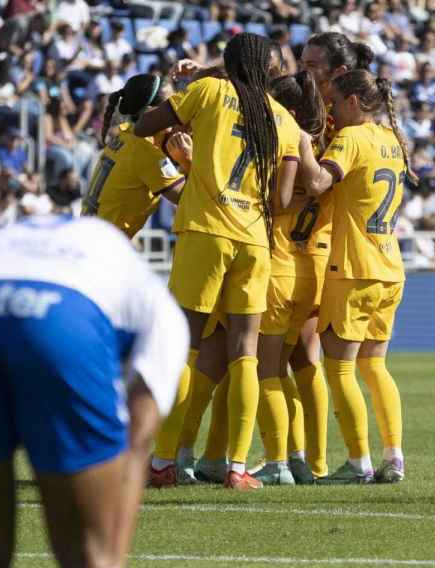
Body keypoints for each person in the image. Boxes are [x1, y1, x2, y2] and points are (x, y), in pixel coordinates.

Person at [0, 215, 188, 568]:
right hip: (62, 314)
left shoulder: (113, 267)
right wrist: (108, 561)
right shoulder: (165, 317)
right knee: (92, 558)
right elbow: (136, 442)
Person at [134, 32, 301, 490]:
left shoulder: (210, 91)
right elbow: (282, 197)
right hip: (255, 240)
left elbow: (146, 126)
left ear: (227, 64)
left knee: (183, 347)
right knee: (245, 354)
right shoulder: (283, 118)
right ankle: (238, 467)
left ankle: (163, 461)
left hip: (207, 231)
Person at [296, 69, 415, 484]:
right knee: (375, 366)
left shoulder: (352, 138)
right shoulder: (392, 140)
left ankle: (358, 461)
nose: (329, 110)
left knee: (341, 369)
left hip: (352, 269)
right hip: (389, 267)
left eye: (333, 103)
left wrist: (299, 142)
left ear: (352, 102)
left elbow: (315, 182)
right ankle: (394, 454)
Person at [249, 70, 329, 485]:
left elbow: (274, 202)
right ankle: (300, 458)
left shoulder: (285, 147)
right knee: (285, 367)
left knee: (265, 370)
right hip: (309, 270)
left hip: (278, 267)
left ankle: (278, 460)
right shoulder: (319, 150)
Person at [81, 73, 189, 238]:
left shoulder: (126, 133)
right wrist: (189, 161)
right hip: (104, 248)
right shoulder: (145, 151)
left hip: (92, 238)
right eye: (171, 105)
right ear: (151, 112)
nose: (177, 110)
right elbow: (188, 199)